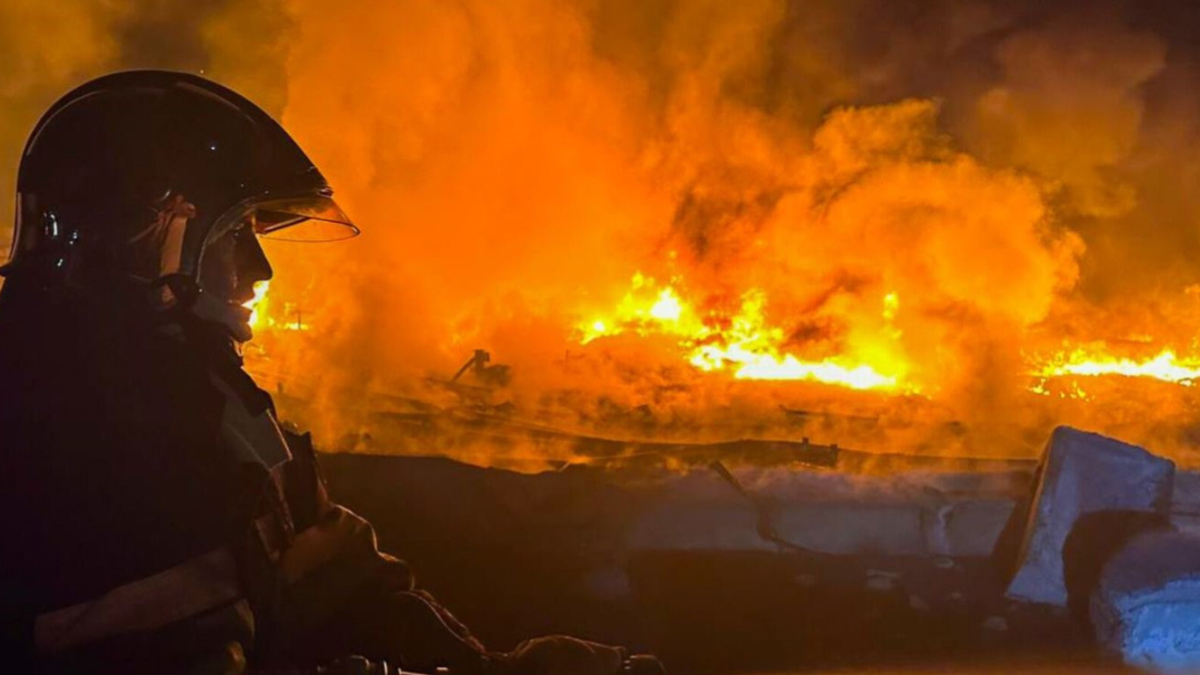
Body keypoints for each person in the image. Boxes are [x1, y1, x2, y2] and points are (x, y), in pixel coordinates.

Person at [0, 70, 663, 675]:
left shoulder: (206, 395)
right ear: (142, 236)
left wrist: (492, 667)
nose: (260, 271)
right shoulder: (58, 443)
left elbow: (335, 575)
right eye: (234, 239)